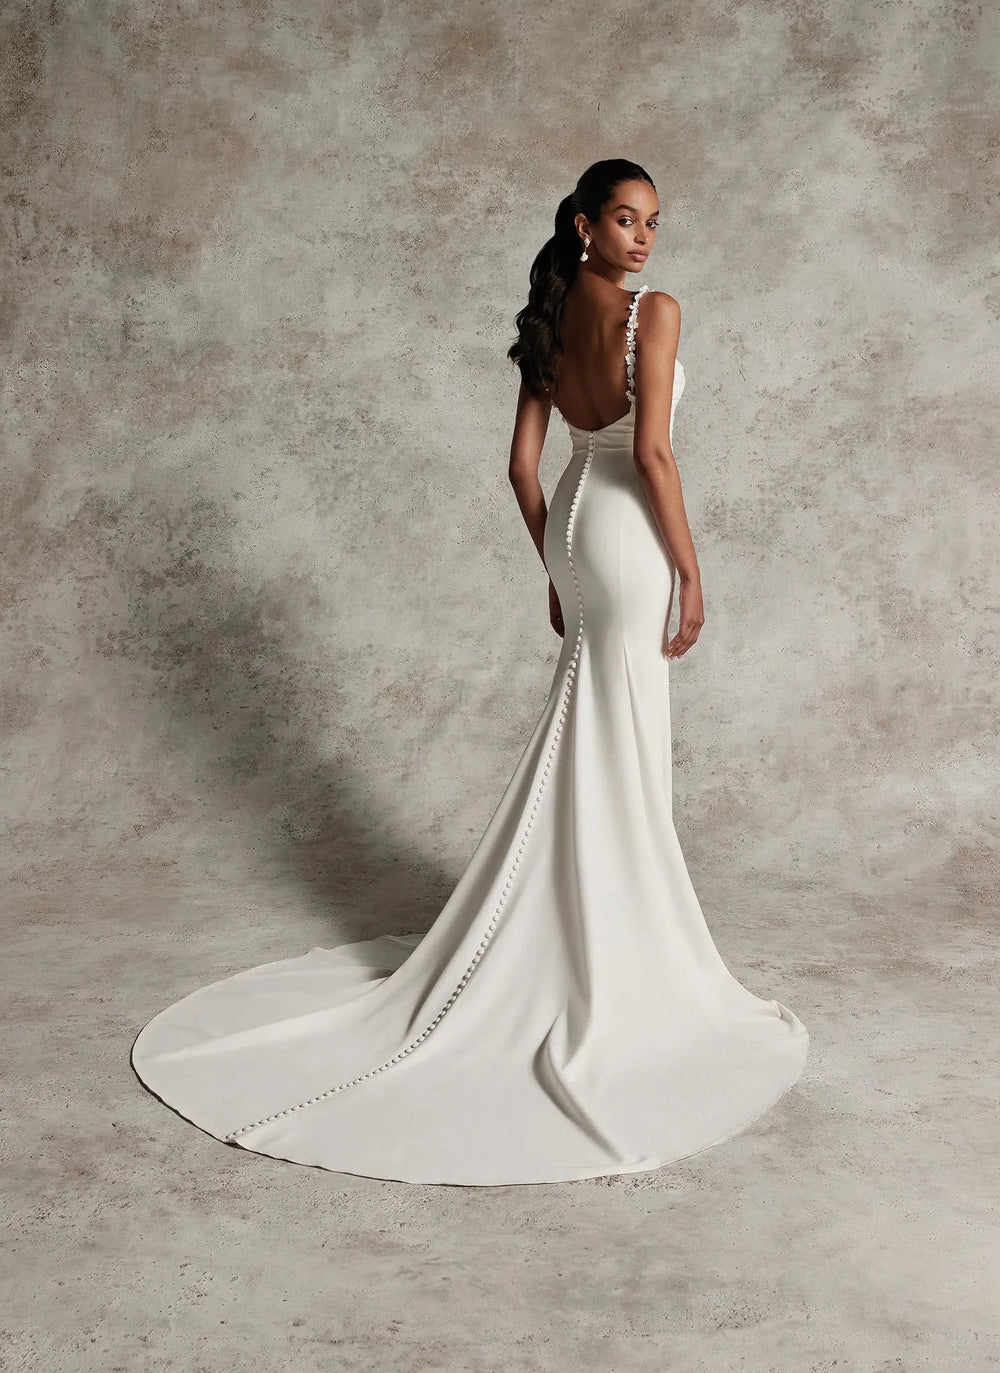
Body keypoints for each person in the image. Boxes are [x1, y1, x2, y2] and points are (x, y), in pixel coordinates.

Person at [131, 158, 809, 1186]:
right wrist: (690, 569)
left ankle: (577, 925)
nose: (644, 239)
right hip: (625, 536)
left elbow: (522, 468)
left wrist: (552, 563)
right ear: (584, 224)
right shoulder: (653, 312)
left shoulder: (547, 321)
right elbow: (657, 456)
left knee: (593, 730)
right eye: (626, 220)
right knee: (622, 734)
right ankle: (621, 955)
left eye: (654, 223)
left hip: (577, 532)